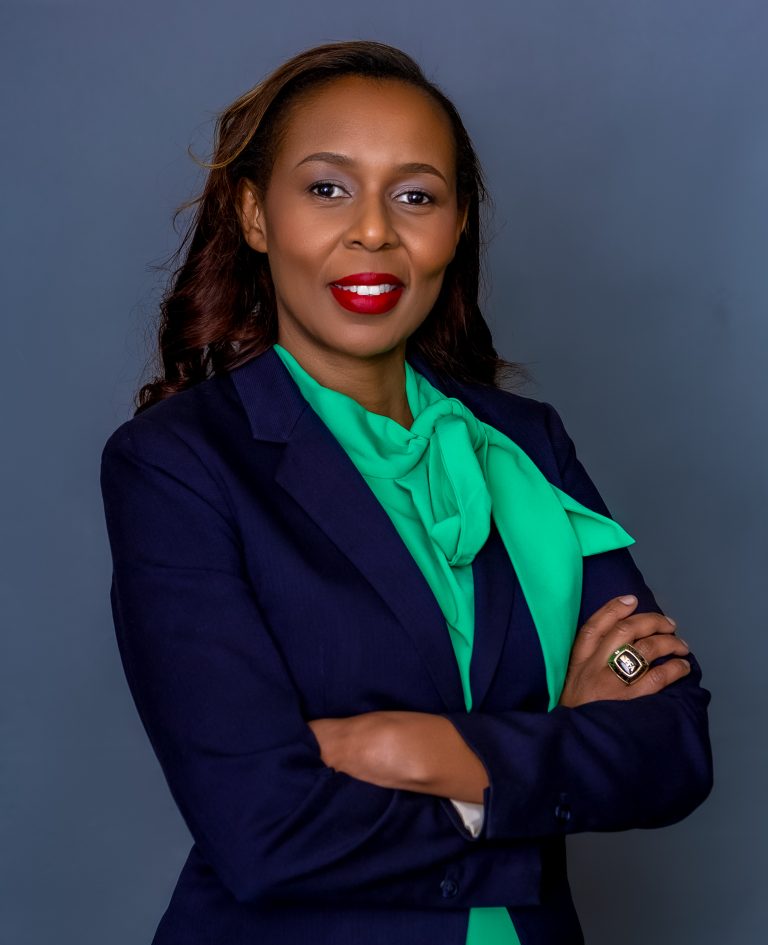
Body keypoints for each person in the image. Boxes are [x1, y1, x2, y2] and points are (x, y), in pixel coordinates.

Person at [99, 39, 713, 945]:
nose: (374, 231)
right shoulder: (178, 463)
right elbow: (262, 829)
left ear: (457, 226)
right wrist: (539, 763)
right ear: (255, 215)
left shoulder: (525, 442)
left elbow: (669, 727)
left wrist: (424, 750)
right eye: (327, 188)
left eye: (416, 196)